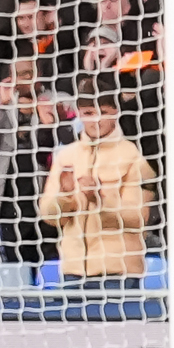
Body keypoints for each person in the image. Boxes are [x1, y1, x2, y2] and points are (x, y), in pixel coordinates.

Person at [38, 86, 152, 284]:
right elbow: (49, 216)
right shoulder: (66, 155)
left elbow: (139, 218)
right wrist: (65, 195)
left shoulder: (133, 156)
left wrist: (99, 199)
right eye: (89, 113)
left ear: (116, 114)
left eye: (103, 113)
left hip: (119, 274)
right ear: (80, 115)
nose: (96, 120)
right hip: (73, 272)